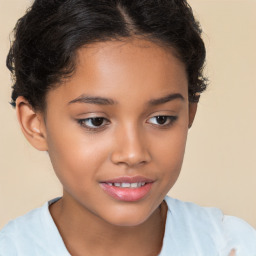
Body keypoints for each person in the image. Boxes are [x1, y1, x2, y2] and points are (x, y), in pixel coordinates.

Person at [0, 0, 255, 255]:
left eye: (161, 119)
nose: (133, 154)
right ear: (35, 124)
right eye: (95, 121)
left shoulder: (234, 247)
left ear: (189, 113)